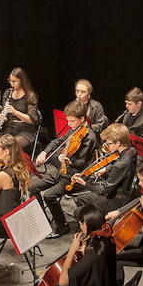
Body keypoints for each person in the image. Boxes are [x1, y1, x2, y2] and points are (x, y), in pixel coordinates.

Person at [31, 101, 98, 238]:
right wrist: (45, 152)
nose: (68, 124)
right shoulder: (74, 129)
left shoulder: (89, 137)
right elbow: (58, 141)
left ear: (82, 119)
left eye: (71, 121)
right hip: (63, 170)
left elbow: (81, 162)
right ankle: (43, 221)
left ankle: (62, 227)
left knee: (49, 196)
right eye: (68, 120)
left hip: (75, 176)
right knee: (32, 187)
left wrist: (68, 160)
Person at [69, 122, 138, 213]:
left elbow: (103, 190)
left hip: (116, 198)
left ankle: (94, 222)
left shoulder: (120, 165)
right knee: (80, 199)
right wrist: (106, 169)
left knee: (78, 212)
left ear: (118, 143)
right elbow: (118, 162)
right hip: (122, 190)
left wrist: (85, 183)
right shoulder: (131, 150)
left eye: (108, 143)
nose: (107, 146)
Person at [0, 67, 39, 161]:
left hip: (25, 131)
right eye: (10, 81)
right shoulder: (7, 93)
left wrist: (15, 112)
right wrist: (3, 117)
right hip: (9, 128)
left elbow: (32, 119)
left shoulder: (30, 96)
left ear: (22, 81)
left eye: (15, 81)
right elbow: (5, 114)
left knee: (7, 148)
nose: (12, 84)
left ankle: (8, 172)